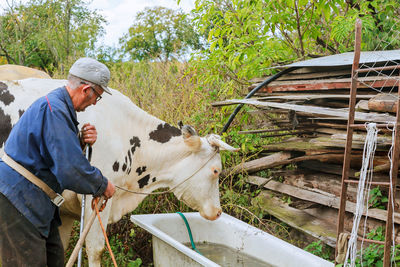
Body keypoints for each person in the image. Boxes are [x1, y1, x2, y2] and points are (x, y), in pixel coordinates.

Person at [0, 57, 116, 267]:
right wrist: (101, 184)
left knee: (55, 259)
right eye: (97, 97)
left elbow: (52, 154)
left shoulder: (58, 108)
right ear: (86, 89)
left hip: (34, 200)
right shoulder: (55, 111)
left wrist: (79, 141)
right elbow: (69, 169)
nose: (94, 103)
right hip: (17, 200)